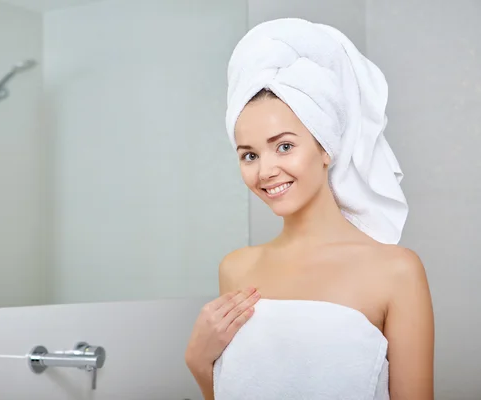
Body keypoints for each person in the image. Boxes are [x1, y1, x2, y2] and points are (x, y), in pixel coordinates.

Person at [184, 18, 434, 400]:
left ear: (325, 147)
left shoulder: (396, 272)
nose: (265, 171)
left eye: (284, 146)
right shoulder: (236, 269)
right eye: (249, 154)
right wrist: (200, 365)